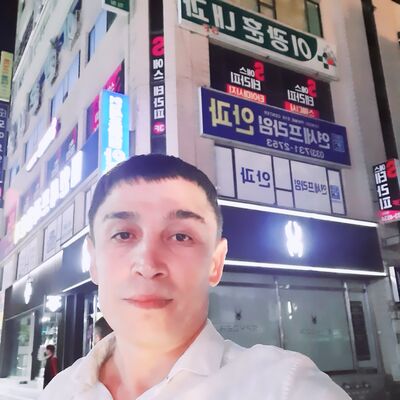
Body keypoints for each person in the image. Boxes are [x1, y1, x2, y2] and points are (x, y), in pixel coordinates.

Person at [40, 154, 350, 399]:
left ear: (215, 262)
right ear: (93, 260)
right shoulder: (59, 391)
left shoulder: (285, 388)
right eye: (123, 235)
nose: (148, 264)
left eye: (180, 237)